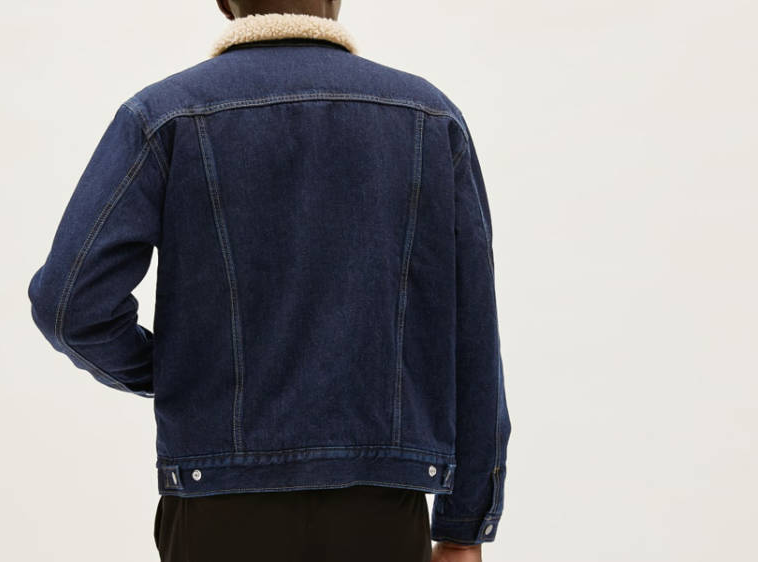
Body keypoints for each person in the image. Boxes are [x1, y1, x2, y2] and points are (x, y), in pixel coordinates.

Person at [27, 1, 511, 560]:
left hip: (217, 508)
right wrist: (463, 526)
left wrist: (180, 374)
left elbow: (69, 305)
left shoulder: (163, 116)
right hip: (381, 507)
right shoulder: (429, 117)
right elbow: (473, 335)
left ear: (223, 1)